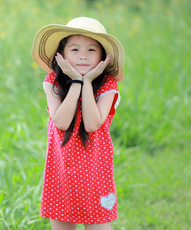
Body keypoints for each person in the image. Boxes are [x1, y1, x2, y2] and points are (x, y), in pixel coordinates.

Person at [31, 17, 125, 230]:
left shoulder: (107, 85)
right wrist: (75, 82)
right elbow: (62, 122)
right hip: (61, 170)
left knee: (98, 225)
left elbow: (92, 124)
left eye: (92, 50)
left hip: (95, 172)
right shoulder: (52, 81)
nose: (83, 55)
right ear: (62, 55)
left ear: (103, 56)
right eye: (75, 50)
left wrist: (88, 82)